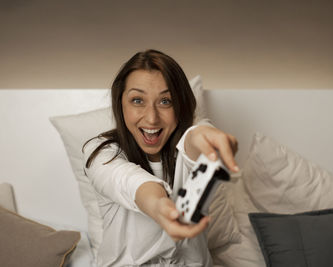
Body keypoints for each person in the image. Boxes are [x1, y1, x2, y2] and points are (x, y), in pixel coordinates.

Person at [83, 49, 239, 267]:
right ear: (121, 104)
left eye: (165, 101)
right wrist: (159, 206)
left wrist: (210, 137)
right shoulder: (100, 153)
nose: (152, 117)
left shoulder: (191, 139)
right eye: (138, 100)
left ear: (180, 106)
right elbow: (129, 181)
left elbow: (196, 137)